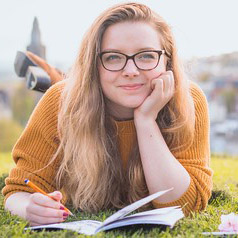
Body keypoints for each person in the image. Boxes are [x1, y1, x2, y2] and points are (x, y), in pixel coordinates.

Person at [2, 2, 213, 226]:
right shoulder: (59, 102)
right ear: (94, 63)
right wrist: (29, 207)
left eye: (146, 56)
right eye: (113, 57)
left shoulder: (188, 100)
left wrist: (145, 120)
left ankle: (53, 71)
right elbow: (18, 190)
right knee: (68, 91)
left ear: (167, 60)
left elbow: (186, 205)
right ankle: (53, 73)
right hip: (79, 97)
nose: (131, 71)